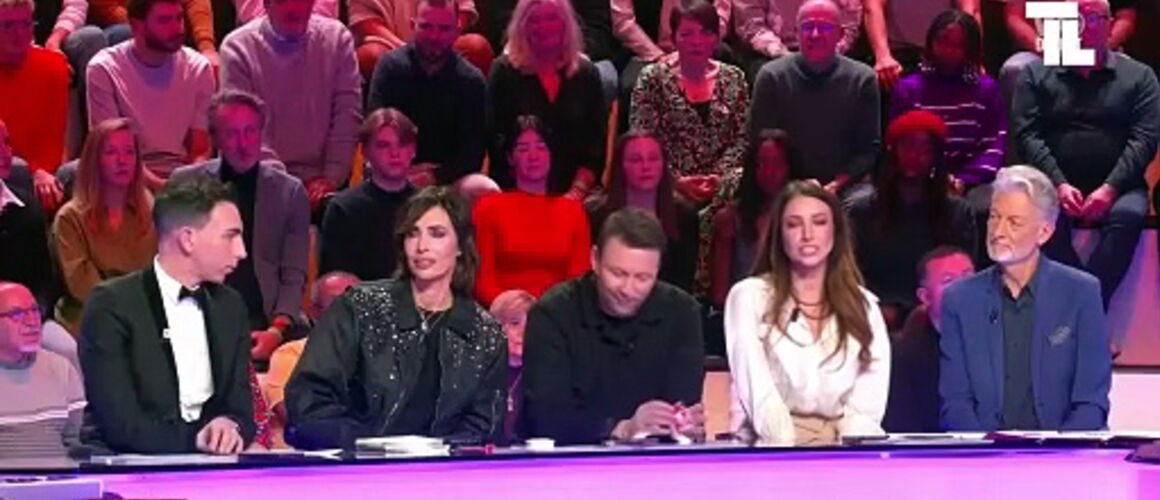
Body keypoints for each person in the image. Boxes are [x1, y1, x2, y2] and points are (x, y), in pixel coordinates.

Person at [286, 187, 507, 450]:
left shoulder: (484, 333)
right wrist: (371, 446)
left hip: (442, 470)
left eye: (437, 234)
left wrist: (436, 453)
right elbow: (309, 398)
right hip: (357, 464)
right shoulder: (358, 307)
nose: (422, 247)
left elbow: (483, 426)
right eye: (413, 234)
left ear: (460, 245)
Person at [79, 175, 256, 454]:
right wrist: (197, 439)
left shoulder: (230, 306)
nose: (242, 251)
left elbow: (242, 410)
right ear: (188, 239)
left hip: (211, 465)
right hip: (127, 463)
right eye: (230, 236)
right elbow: (119, 424)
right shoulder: (112, 304)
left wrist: (231, 425)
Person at [1011, 0, 1159, 316]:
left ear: (1110, 25)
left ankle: (1079, 312)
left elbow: (1144, 140)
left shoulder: (1140, 76)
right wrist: (1059, 183)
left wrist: (1110, 188)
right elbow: (1027, 136)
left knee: (1128, 216)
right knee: (1042, 216)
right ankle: (1087, 312)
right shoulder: (1035, 74)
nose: (1081, 27)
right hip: (1051, 185)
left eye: (1091, 18)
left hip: (1120, 187)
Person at [939, 166, 1112, 432]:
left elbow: (1091, 402)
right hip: (983, 452)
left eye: (1014, 222)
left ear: (1044, 232)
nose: (998, 231)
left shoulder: (1081, 293)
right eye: (994, 217)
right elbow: (956, 403)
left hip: (1063, 451)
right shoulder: (959, 300)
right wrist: (984, 451)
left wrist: (1059, 451)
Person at [725, 180, 890, 446]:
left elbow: (869, 400)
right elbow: (757, 391)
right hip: (772, 448)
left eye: (819, 222)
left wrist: (844, 453)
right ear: (779, 235)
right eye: (794, 224)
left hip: (844, 451)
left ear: (835, 232)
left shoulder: (864, 306)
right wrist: (790, 453)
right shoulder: (749, 297)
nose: (807, 235)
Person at [521, 208, 705, 444]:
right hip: (570, 460)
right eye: (618, 273)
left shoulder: (682, 313)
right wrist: (621, 428)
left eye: (642, 278)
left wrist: (683, 422)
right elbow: (545, 416)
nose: (628, 289)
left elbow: (682, 401)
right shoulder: (553, 313)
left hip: (654, 459)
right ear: (595, 260)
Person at [171, 90, 311, 362]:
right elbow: (174, 264)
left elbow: (293, 275)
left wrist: (276, 331)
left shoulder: (290, 193)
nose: (243, 143)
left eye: (250, 131)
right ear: (214, 138)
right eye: (232, 133)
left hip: (268, 321)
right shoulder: (185, 185)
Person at [220, 0, 362, 215]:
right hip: (259, 182)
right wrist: (286, 186)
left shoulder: (337, 39)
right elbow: (244, 132)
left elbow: (347, 115)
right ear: (266, 4)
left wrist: (331, 177)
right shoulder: (237, 48)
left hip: (325, 185)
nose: (293, 8)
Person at [849, 110, 976, 328]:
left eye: (925, 149)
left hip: (938, 314)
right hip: (877, 314)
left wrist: (925, 309)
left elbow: (964, 275)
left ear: (935, 157)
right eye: (908, 146)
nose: (916, 155)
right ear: (893, 152)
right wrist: (878, 309)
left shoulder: (956, 213)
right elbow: (853, 272)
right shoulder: (864, 212)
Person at [748, 0, 879, 202]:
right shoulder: (772, 77)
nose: (815, 35)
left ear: (840, 35)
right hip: (784, 184)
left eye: (825, 28)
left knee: (864, 202)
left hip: (845, 186)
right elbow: (760, 143)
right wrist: (799, 187)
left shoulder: (863, 79)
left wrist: (836, 185)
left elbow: (868, 150)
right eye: (808, 27)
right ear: (796, 33)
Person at [629, 0, 748, 209]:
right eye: (687, 34)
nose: (697, 42)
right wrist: (676, 180)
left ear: (716, 37)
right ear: (673, 38)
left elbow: (742, 138)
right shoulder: (653, 79)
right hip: (668, 182)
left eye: (705, 33)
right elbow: (644, 137)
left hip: (724, 182)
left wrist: (719, 177)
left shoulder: (734, 77)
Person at [84, 0, 215, 186]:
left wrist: (182, 187)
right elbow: (109, 148)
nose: (177, 29)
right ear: (136, 26)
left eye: (179, 18)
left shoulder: (199, 69)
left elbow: (200, 149)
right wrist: (159, 187)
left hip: (181, 177)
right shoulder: (104, 69)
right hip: (123, 173)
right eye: (164, 20)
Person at [889, 9, 1005, 211]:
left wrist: (963, 180)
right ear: (930, 42)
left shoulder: (987, 89)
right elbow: (897, 144)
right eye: (943, 42)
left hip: (972, 179)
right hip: (919, 174)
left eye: (959, 45)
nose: (950, 50)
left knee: (982, 207)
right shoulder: (908, 88)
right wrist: (934, 177)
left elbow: (993, 144)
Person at [488, 0, 606, 198]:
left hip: (576, 194)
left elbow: (595, 148)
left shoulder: (586, 74)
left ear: (566, 24)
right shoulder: (504, 72)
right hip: (516, 192)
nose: (544, 27)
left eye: (552, 18)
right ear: (522, 26)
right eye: (534, 20)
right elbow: (496, 144)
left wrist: (575, 194)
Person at [52, 118, 157, 334]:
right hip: (91, 315)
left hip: (144, 312)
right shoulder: (69, 218)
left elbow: (159, 271)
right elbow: (84, 286)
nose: (122, 161)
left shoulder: (150, 210)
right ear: (94, 160)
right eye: (111, 152)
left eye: (129, 152)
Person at [366, 0, 487, 186]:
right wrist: (403, 173)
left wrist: (434, 176)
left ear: (457, 30)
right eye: (426, 27)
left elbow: (472, 156)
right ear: (412, 25)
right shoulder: (389, 69)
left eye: (444, 28)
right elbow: (375, 136)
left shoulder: (471, 80)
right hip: (392, 173)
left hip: (447, 180)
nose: (434, 36)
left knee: (481, 186)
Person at [473, 116, 591, 306]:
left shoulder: (574, 211)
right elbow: (482, 279)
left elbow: (578, 279)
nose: (533, 156)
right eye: (523, 149)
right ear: (510, 158)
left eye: (541, 147)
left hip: (558, 313)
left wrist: (548, 312)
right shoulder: (488, 207)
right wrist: (510, 308)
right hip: (503, 311)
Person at [586, 130, 700, 292]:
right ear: (620, 166)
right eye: (635, 160)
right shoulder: (595, 214)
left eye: (653, 159)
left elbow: (683, 282)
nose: (646, 167)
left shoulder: (683, 215)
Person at [882, 245, 973, 433]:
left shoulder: (1005, 342)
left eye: (969, 277)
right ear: (925, 297)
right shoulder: (900, 358)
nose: (964, 289)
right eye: (949, 281)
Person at [320, 109, 419, 281]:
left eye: (402, 144)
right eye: (383, 145)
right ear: (365, 151)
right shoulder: (344, 209)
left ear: (413, 150)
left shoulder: (427, 207)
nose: (395, 154)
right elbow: (336, 281)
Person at [263, 270, 359, 448]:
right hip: (307, 454)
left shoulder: (381, 356)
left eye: (357, 302)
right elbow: (296, 417)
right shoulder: (291, 354)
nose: (349, 311)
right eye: (337, 303)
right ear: (314, 312)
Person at [0, 281, 86, 462]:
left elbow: (77, 443)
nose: (32, 322)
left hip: (60, 478)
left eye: (34, 310)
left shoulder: (61, 369)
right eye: (17, 314)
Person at [709, 129, 791, 309]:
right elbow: (719, 295)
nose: (770, 172)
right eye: (762, 164)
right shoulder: (730, 219)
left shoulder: (806, 217)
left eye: (777, 164)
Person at [998, 0, 1138, 106]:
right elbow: (1015, 17)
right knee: (1014, 70)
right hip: (1041, 52)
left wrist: (1098, 49)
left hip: (1100, 52)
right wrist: (1048, 50)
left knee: (1130, 73)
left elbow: (1125, 18)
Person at [0, 0, 68, 212]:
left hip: (46, 171)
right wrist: (33, 171)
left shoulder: (54, 66)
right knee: (17, 171)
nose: (19, 33)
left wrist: (42, 172)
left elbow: (54, 138)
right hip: (6, 170)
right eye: (8, 26)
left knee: (73, 173)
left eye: (25, 24)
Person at [352, 0, 492, 78]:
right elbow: (365, 20)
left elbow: (463, 10)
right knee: (370, 56)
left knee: (475, 46)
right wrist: (405, 49)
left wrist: (445, 35)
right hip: (389, 45)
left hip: (443, 41)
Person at [0, 120, 56, 312]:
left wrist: (35, 313)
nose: (5, 153)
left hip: (27, 314)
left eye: (7, 143)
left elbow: (43, 280)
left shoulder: (27, 208)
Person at [863, 0, 980, 91]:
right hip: (898, 59)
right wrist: (883, 56)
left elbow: (970, 11)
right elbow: (873, 7)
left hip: (945, 54)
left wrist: (974, 58)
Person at [89, 0, 217, 59]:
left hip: (154, 21)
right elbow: (107, 9)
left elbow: (196, 3)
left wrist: (207, 47)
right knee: (127, 33)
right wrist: (153, 23)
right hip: (115, 27)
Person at [488, 288, 534, 443]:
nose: (523, 332)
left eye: (530, 325)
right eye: (515, 323)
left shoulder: (542, 375)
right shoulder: (481, 373)